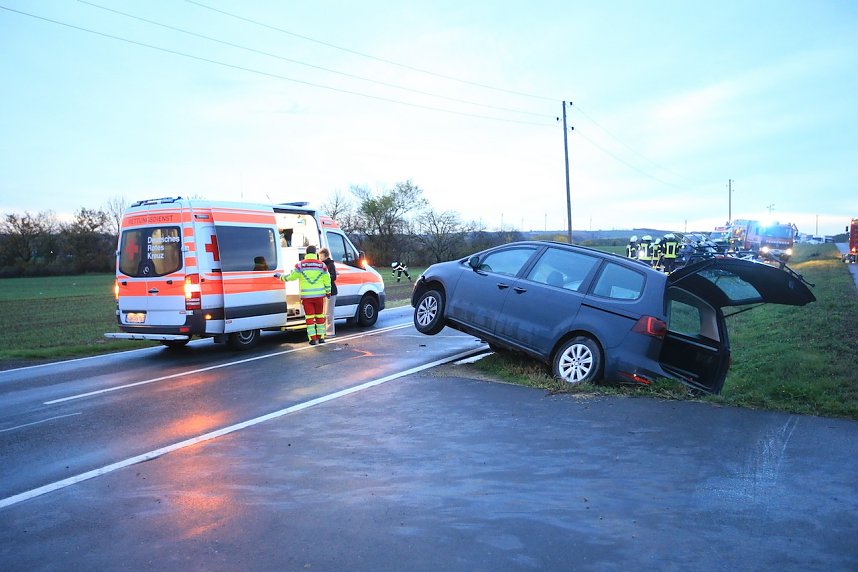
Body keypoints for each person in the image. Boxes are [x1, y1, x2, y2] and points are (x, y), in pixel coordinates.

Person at [275, 245, 331, 345]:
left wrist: (280, 277)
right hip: (319, 296)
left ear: (306, 253)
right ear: (315, 253)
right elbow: (327, 280)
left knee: (309, 318)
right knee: (320, 316)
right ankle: (321, 337)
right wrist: (328, 292)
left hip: (307, 297)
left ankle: (312, 339)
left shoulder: (300, 265)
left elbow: (291, 277)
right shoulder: (322, 265)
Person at [318, 247, 337, 338]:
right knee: (323, 313)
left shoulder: (330, 265)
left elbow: (333, 277)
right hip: (323, 291)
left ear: (326, 256)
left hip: (331, 291)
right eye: (319, 256)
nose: (320, 258)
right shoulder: (320, 265)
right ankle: (324, 331)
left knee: (328, 313)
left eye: (321, 256)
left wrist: (325, 278)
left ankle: (330, 332)